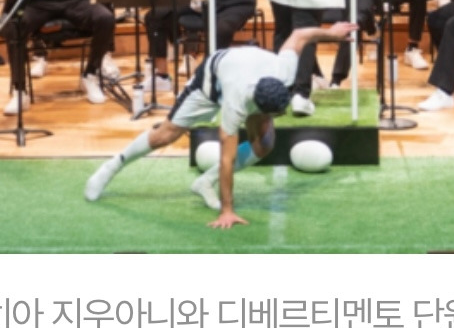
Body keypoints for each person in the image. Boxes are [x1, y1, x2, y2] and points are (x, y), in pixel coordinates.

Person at [84, 18, 356, 226]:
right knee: (165, 135)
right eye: (272, 114)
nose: (277, 117)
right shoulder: (235, 104)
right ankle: (111, 168)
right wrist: (228, 210)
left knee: (265, 143)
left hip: (245, 74)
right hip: (209, 83)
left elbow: (299, 35)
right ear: (256, 106)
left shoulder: (283, 72)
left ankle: (205, 182)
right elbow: (227, 158)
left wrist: (331, 33)